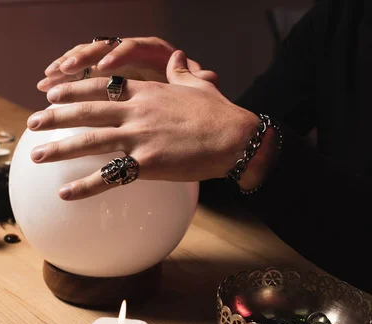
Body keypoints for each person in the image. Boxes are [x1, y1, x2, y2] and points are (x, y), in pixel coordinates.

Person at [26, 0, 372, 294]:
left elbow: (242, 145)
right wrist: (174, 99)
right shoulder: (343, 14)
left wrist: (250, 148)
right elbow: (226, 163)